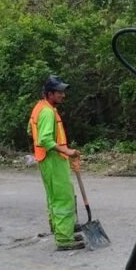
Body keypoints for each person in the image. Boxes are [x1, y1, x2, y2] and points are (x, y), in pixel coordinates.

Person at [28, 76, 85, 251]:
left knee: (53, 197)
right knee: (63, 198)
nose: (63, 95)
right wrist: (67, 151)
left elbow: (31, 129)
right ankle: (64, 239)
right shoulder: (47, 112)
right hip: (53, 160)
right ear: (50, 93)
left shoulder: (40, 108)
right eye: (59, 92)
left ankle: (60, 229)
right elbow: (45, 139)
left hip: (46, 160)